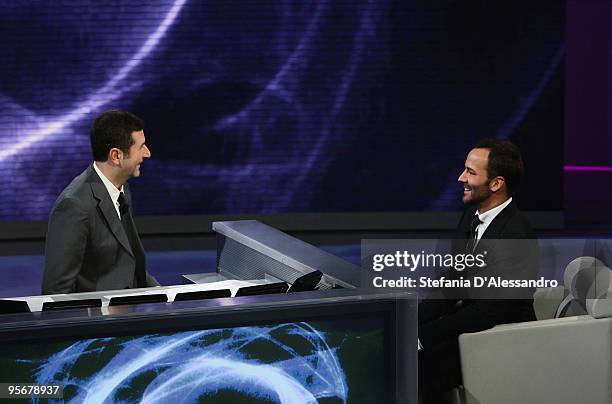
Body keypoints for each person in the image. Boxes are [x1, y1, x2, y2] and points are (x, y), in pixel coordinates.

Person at [418, 138, 537, 403]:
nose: (461, 178)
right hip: (475, 322)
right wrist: (410, 321)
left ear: (496, 184)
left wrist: (424, 336)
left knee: (420, 359)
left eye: (471, 172)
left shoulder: (515, 235)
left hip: (504, 335)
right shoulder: (470, 216)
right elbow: (454, 281)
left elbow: (490, 309)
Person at [42, 110, 160, 294]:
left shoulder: (121, 188)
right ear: (116, 156)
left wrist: (162, 294)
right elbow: (56, 292)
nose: (148, 153)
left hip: (127, 311)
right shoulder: (74, 205)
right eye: (141, 147)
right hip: (98, 319)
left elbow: (127, 261)